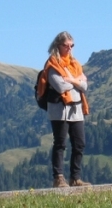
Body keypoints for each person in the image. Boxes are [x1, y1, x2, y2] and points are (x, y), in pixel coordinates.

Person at [37, 31, 91, 187]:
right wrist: (77, 81)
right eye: (66, 45)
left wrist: (71, 79)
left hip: (76, 109)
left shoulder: (75, 64)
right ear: (58, 45)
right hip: (59, 110)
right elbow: (60, 86)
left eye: (71, 45)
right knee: (60, 143)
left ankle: (75, 177)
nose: (69, 48)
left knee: (79, 144)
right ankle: (58, 178)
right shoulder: (52, 64)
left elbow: (85, 86)